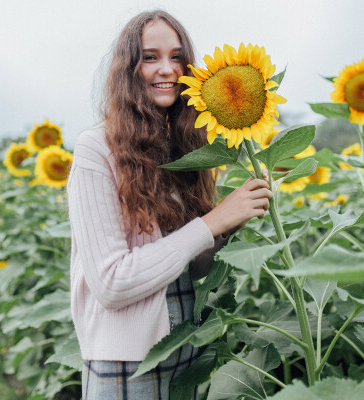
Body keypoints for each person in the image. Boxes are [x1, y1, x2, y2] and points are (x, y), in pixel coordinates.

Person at [66, 9, 272, 400]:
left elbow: (191, 269)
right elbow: (111, 282)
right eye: (150, 57)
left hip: (183, 348)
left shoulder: (181, 148)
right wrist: (212, 222)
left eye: (177, 57)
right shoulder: (97, 149)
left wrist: (231, 221)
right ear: (129, 68)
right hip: (126, 364)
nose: (167, 69)